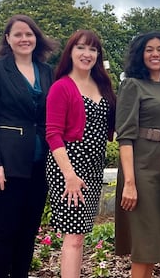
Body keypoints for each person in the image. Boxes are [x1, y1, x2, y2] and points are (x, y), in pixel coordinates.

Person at [0, 14, 56, 278]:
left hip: (39, 163)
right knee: (5, 231)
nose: (24, 39)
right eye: (18, 34)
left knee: (29, 232)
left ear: (37, 38)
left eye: (29, 34)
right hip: (6, 165)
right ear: (8, 39)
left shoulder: (47, 72)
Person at [114, 31, 160, 278]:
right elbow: (125, 135)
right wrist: (130, 183)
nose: (155, 54)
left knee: (154, 244)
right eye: (149, 50)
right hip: (141, 171)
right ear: (140, 55)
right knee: (144, 245)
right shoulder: (132, 85)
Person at [45, 30, 116, 278]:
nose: (87, 54)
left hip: (94, 166)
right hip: (69, 166)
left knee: (81, 233)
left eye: (93, 49)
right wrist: (69, 175)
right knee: (73, 237)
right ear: (70, 52)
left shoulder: (103, 85)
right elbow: (53, 134)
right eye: (81, 48)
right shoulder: (62, 86)